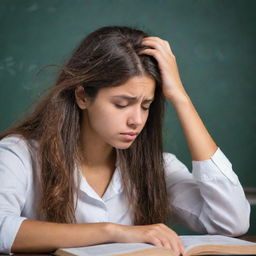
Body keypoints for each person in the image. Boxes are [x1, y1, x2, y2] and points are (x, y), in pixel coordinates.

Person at [0, 26, 250, 255]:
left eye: (146, 106)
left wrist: (180, 98)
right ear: (83, 97)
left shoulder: (158, 166)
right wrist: (113, 231)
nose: (136, 120)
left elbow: (231, 221)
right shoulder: (18, 154)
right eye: (122, 104)